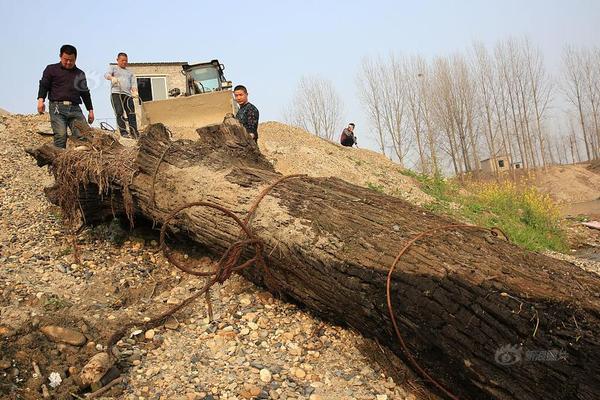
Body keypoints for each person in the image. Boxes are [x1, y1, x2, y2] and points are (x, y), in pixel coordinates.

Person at [37, 44, 94, 148]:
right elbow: (44, 85)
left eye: (71, 60)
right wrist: (41, 100)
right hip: (57, 108)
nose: (68, 62)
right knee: (61, 135)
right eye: (66, 59)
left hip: (75, 108)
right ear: (60, 56)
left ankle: (81, 162)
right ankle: (57, 162)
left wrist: (90, 110)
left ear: (75, 58)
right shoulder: (51, 69)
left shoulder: (79, 74)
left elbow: (85, 93)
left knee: (84, 135)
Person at [105, 52, 139, 138]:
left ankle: (134, 132)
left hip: (127, 95)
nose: (124, 62)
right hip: (116, 93)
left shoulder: (130, 73)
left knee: (131, 113)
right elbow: (106, 75)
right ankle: (123, 132)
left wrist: (135, 92)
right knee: (119, 112)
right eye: (122, 60)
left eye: (126, 60)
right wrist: (112, 78)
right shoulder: (113, 68)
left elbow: (133, 84)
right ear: (117, 60)